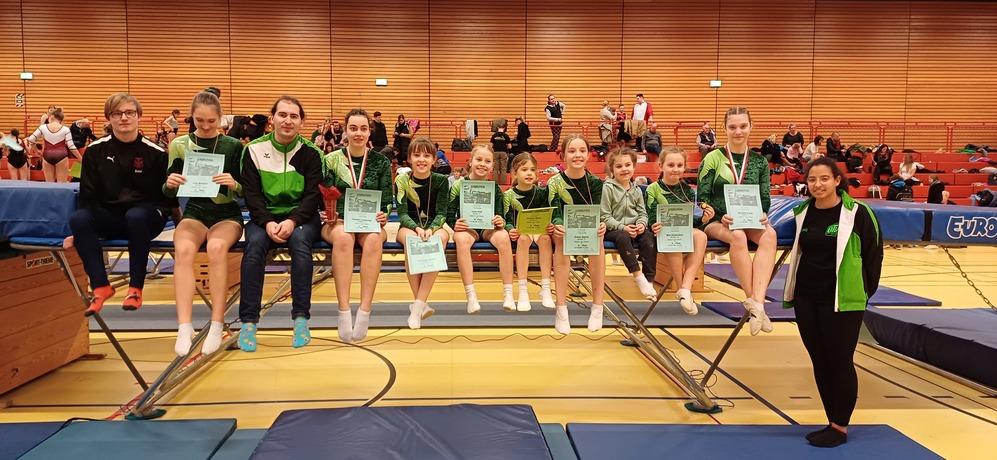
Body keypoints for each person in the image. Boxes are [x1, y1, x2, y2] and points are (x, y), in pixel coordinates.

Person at [783, 157, 883, 448]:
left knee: (840, 360)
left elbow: (874, 254)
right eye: (812, 179)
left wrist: (863, 292)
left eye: (824, 178)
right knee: (820, 359)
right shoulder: (803, 212)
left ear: (837, 180)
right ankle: (831, 420)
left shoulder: (858, 213)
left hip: (842, 300)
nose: (818, 184)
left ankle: (840, 426)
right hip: (806, 298)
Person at [67, 93, 175, 316]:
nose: (124, 118)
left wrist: (180, 224)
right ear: (109, 118)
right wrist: (81, 230)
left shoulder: (156, 153)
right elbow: (87, 196)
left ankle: (135, 288)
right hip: (112, 217)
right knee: (78, 219)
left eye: (129, 113)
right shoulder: (95, 151)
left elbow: (167, 198)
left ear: (138, 116)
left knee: (135, 216)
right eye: (117, 113)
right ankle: (100, 286)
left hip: (146, 217)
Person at [238, 95, 323, 352]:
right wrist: (266, 222)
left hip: (301, 218)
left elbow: (312, 195)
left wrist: (292, 220)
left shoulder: (312, 153)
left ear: (302, 122)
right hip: (264, 218)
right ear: (272, 119)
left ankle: (301, 319)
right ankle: (248, 322)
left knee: (300, 243)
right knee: (254, 247)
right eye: (282, 115)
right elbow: (251, 194)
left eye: (294, 116)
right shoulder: (253, 150)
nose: (288, 120)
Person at [164, 91, 244, 356]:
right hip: (196, 212)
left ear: (221, 119)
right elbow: (166, 192)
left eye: (212, 121)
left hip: (226, 213)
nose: (206, 126)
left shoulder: (233, 146)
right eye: (200, 121)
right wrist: (170, 183)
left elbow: (247, 191)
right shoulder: (179, 145)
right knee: (183, 249)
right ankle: (184, 326)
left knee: (216, 248)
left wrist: (235, 184)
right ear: (192, 118)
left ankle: (216, 324)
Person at [698, 107, 776, 335]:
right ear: (724, 129)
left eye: (743, 126)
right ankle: (755, 304)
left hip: (749, 218)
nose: (738, 131)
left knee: (770, 235)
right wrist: (719, 213)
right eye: (732, 127)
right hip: (718, 221)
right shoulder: (713, 157)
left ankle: (757, 303)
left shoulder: (759, 161)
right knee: (738, 236)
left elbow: (764, 196)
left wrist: (763, 213)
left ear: (751, 127)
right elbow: (702, 196)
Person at [321, 108, 392, 343]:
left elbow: (387, 199)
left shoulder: (381, 162)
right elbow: (322, 193)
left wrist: (384, 214)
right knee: (343, 237)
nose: (358, 133)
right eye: (353, 128)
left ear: (369, 132)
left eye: (363, 129)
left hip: (369, 222)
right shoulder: (331, 160)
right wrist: (327, 213)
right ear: (346, 131)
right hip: (339, 222)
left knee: (373, 239)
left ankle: (364, 310)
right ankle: (343, 310)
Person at [546, 134, 607, 334]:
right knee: (561, 240)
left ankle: (597, 306)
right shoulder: (555, 182)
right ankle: (561, 308)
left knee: (598, 240)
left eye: (582, 151)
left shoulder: (596, 183)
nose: (577, 155)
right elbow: (555, 210)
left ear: (588, 155)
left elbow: (597, 211)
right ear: (563, 155)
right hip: (563, 230)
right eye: (572, 151)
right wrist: (558, 224)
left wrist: (601, 224)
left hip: (587, 230)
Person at [447, 144, 515, 313]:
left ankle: (508, 293)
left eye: (487, 161)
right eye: (479, 159)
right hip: (468, 228)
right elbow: (448, 212)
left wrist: (500, 220)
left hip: (488, 228)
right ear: (470, 161)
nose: (482, 164)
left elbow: (501, 214)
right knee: (461, 239)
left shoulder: (495, 188)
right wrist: (454, 223)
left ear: (492, 165)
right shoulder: (458, 185)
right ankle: (471, 295)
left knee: (503, 236)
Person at [646, 146, 713, 313]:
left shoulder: (687, 190)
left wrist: (703, 219)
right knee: (673, 235)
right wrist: (654, 224)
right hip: (661, 231)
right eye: (670, 165)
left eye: (679, 165)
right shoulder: (652, 189)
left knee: (701, 236)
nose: (675, 169)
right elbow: (650, 215)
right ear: (660, 166)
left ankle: (685, 288)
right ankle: (680, 285)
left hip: (681, 229)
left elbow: (689, 221)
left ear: (684, 167)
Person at [396, 138, 451, 329]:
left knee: (440, 239)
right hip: (409, 227)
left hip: (433, 226)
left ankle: (418, 306)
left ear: (434, 160)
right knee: (411, 241)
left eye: (427, 155)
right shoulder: (402, 180)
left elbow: (442, 212)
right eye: (417, 155)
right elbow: (402, 212)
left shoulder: (441, 181)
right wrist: (417, 228)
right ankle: (420, 304)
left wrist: (431, 229)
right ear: (409, 158)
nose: (421, 159)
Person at [601, 147, 656, 300]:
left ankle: (649, 280)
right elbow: (604, 216)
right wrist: (623, 227)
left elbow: (642, 213)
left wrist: (641, 224)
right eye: (619, 166)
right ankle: (638, 276)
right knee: (622, 237)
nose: (624, 169)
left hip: (634, 229)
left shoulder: (636, 189)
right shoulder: (607, 188)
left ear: (634, 166)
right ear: (612, 169)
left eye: (627, 165)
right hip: (613, 229)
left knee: (649, 238)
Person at [504, 153, 555, 311]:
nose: (529, 173)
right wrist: (510, 229)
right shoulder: (508, 195)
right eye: (524, 169)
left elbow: (547, 214)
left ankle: (546, 287)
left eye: (532, 170)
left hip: (539, 231)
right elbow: (507, 218)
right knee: (523, 239)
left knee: (546, 239)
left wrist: (550, 226)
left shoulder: (541, 193)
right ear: (514, 173)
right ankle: (523, 290)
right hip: (521, 233)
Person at [28, 107, 81, 182]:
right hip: (61, 156)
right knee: (61, 185)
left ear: (52, 116)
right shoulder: (65, 129)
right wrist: (80, 158)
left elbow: (31, 139)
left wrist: (36, 151)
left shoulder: (43, 127)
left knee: (50, 185)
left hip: (47, 155)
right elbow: (71, 146)